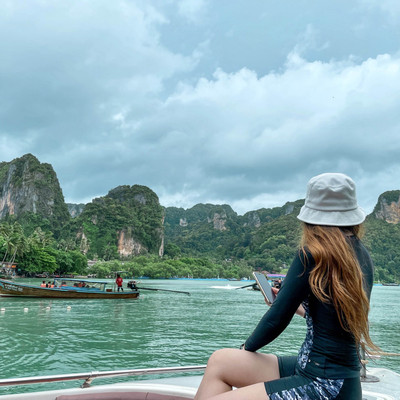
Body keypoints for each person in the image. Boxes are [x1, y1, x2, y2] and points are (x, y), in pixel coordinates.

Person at [194, 173, 379, 400]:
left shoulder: (313, 253)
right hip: (333, 377)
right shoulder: (362, 256)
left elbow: (277, 319)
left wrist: (246, 348)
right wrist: (293, 305)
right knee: (220, 360)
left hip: (324, 384)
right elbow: (332, 318)